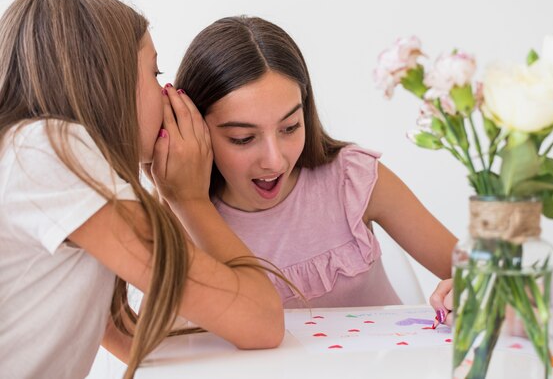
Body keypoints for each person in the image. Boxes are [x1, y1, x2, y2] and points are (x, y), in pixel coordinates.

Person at [0, 0, 284, 379]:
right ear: (105, 81)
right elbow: (262, 320)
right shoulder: (49, 149)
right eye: (154, 74)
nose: (167, 95)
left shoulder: (30, 159)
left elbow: (145, 343)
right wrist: (189, 199)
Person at [175, 16, 458, 310]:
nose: (274, 160)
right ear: (195, 128)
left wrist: (462, 292)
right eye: (243, 138)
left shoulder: (353, 178)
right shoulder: (183, 216)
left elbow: (489, 283)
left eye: (290, 127)